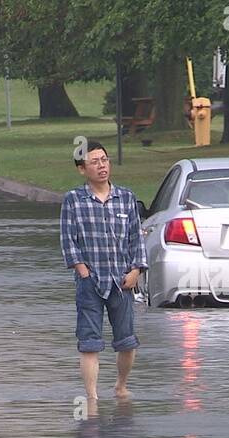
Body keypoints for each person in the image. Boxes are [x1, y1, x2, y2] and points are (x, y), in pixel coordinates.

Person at [60, 142, 148, 401]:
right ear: (82, 169)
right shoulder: (74, 200)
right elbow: (68, 240)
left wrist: (136, 270)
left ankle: (121, 386)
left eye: (104, 160)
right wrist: (82, 270)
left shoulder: (126, 198)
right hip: (90, 282)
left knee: (127, 341)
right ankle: (92, 396)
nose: (102, 166)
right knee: (89, 343)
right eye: (94, 162)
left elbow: (136, 238)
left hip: (122, 281)